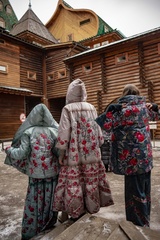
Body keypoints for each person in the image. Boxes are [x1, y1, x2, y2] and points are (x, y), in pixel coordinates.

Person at [95, 84, 159, 227]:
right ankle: (145, 218)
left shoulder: (121, 111)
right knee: (144, 190)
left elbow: (102, 124)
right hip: (146, 159)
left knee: (133, 193)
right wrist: (155, 107)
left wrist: (109, 111)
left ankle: (138, 225)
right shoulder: (144, 108)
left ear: (124, 95)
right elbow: (157, 115)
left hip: (130, 161)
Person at [53, 78, 114, 222]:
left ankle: (74, 212)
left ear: (69, 94)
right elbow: (98, 131)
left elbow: (63, 133)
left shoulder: (67, 109)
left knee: (74, 183)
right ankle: (89, 208)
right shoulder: (92, 107)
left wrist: (61, 152)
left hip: (73, 156)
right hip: (92, 154)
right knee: (90, 182)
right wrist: (97, 145)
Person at [5, 103, 59, 240]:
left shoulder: (28, 132)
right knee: (49, 199)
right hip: (52, 174)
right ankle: (48, 224)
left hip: (35, 175)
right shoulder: (54, 132)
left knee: (34, 200)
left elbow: (21, 154)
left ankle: (32, 228)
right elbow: (58, 152)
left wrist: (9, 150)